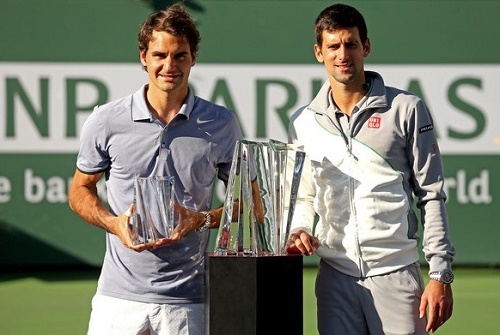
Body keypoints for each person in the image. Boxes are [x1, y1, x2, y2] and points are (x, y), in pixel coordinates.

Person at [68, 3, 242, 335]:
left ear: (193, 58)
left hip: (190, 301)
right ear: (143, 57)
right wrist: (114, 223)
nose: (169, 65)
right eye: (160, 55)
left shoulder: (221, 123)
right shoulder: (106, 119)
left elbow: (251, 202)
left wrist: (201, 220)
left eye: (180, 56)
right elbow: (80, 189)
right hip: (117, 301)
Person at [286, 3, 455, 334]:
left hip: (397, 273)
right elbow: (304, 195)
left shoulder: (406, 109)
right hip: (335, 277)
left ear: (366, 46)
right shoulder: (303, 120)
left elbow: (431, 195)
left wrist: (440, 274)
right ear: (319, 52)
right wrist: (299, 228)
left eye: (351, 44)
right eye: (333, 46)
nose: (343, 54)